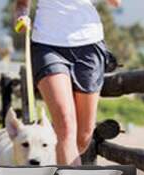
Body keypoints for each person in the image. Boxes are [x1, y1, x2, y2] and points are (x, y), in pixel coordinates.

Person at [15, 0, 121, 165]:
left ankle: (55, 172)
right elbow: (22, 4)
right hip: (47, 44)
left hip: (89, 45)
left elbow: (116, 2)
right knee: (65, 124)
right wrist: (22, 17)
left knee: (83, 137)